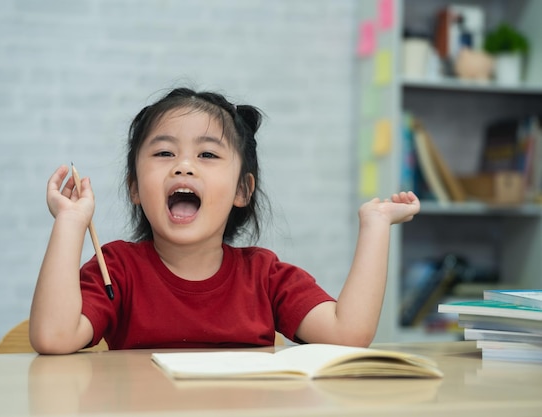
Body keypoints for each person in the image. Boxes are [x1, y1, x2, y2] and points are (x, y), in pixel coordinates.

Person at [29, 87, 420, 354]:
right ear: (134, 188)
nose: (183, 166)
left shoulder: (264, 276)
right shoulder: (116, 269)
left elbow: (348, 336)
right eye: (164, 153)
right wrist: (70, 221)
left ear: (242, 191)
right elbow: (53, 336)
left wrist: (376, 224)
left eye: (208, 155)